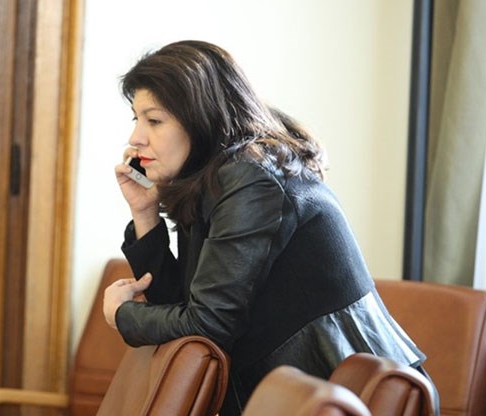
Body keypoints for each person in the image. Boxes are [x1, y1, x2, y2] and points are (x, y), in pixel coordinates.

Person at [103, 40, 436, 415]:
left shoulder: (250, 178)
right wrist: (145, 212)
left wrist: (122, 315)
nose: (136, 138)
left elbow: (206, 325)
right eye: (136, 119)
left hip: (349, 395)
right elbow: (183, 307)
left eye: (154, 120)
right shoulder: (212, 177)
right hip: (300, 390)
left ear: (201, 117)